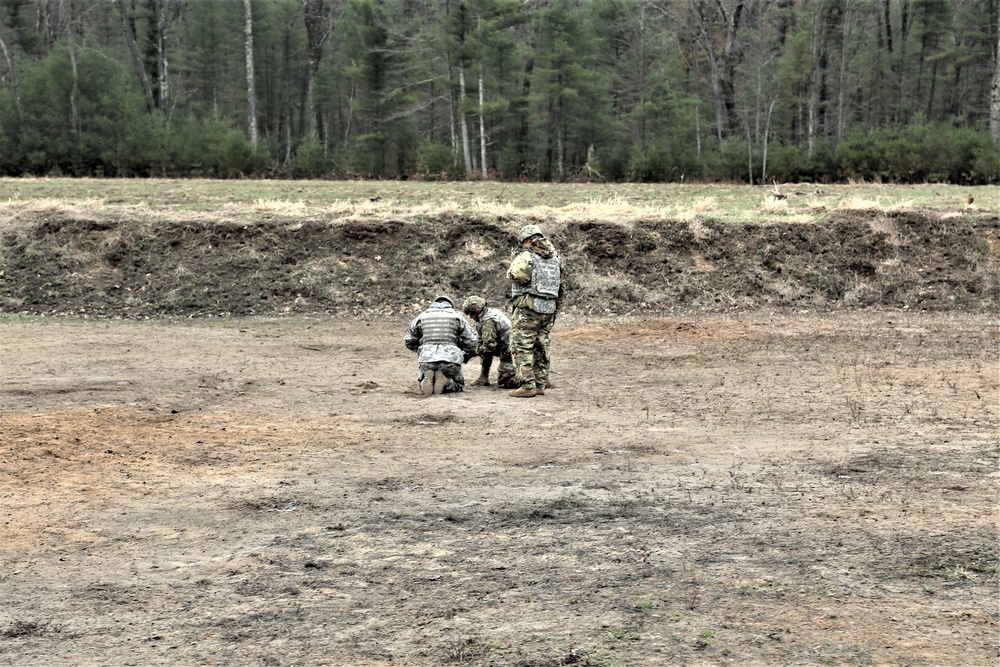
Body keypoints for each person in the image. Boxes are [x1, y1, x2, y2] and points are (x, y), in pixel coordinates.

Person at [506, 224, 565, 398]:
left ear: (527, 240)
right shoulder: (556, 258)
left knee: (521, 345)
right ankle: (540, 383)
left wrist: (512, 265)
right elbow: (562, 286)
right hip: (549, 308)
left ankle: (527, 385)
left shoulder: (527, 256)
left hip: (528, 307)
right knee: (542, 346)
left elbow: (517, 275)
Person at [403, 295, 479, 395]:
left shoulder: (423, 316)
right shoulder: (456, 316)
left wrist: (421, 349)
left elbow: (408, 339)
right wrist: (461, 347)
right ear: (451, 305)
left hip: (427, 360)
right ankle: (445, 382)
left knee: (423, 380)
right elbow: (472, 341)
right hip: (450, 361)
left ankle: (424, 383)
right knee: (459, 385)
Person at [461, 295, 517, 388]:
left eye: (471, 314)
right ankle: (483, 377)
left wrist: (473, 353)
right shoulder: (489, 313)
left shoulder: (488, 321)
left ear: (476, 311)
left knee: (507, 382)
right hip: (505, 347)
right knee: (482, 348)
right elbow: (483, 341)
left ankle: (534, 378)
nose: (470, 317)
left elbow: (489, 346)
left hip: (511, 352)